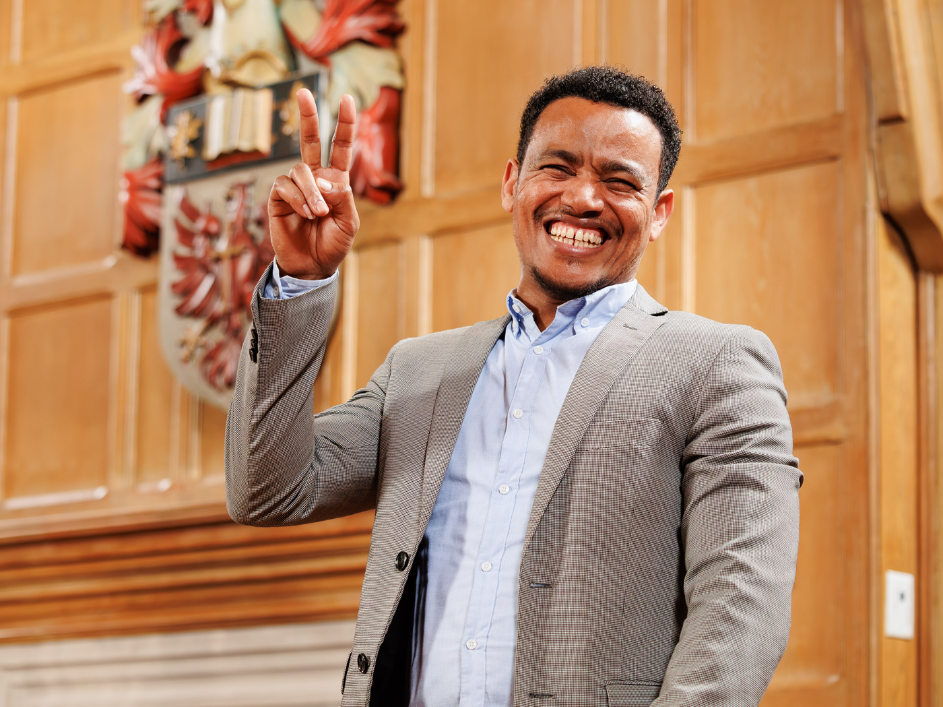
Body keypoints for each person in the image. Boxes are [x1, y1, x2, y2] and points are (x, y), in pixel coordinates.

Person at [225, 66, 802, 707]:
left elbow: (741, 607)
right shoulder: (418, 371)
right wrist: (302, 280)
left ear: (659, 212)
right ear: (512, 183)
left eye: (619, 181)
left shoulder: (719, 364)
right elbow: (267, 491)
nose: (583, 198)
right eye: (557, 168)